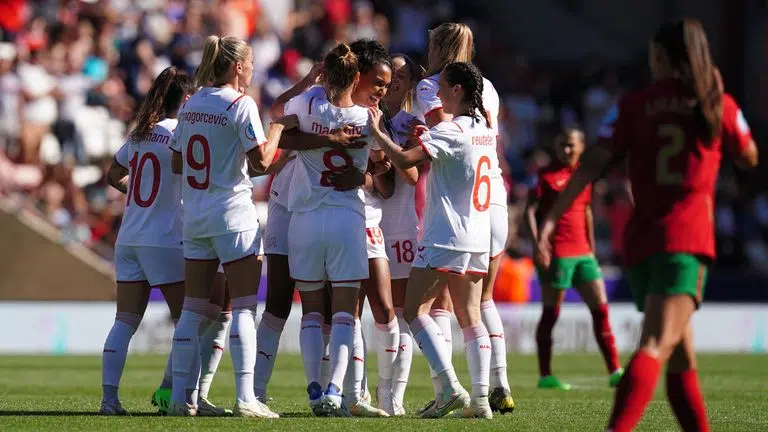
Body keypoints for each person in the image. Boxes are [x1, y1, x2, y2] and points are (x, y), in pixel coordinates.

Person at [535, 19, 758, 432]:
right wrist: (720, 96)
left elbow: (592, 165)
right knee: (656, 344)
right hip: (685, 239)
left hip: (642, 242)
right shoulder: (715, 104)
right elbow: (750, 156)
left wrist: (551, 217)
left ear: (661, 57)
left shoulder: (633, 104)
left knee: (681, 356)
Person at [168, 35, 294, 418]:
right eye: (251, 62)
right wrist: (278, 130)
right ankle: (245, 398)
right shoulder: (241, 104)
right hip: (233, 215)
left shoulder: (190, 106)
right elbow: (260, 164)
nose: (254, 68)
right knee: (242, 306)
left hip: (197, 215)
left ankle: (179, 398)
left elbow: (177, 164)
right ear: (238, 66)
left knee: (192, 309)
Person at [370, 61, 498, 419]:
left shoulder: (452, 130)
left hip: (445, 234)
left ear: (457, 90)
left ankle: (449, 388)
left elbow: (406, 159)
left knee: (412, 311)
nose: (436, 92)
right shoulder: (485, 129)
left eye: (442, 85)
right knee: (471, 317)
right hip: (477, 234)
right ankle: (482, 401)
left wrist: (379, 133)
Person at [414, 22, 515, 415]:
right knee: (481, 299)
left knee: (436, 301)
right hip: (494, 196)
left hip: (460, 202)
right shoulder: (487, 85)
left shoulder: (431, 86)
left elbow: (446, 137)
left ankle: (447, 387)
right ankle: (498, 384)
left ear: (440, 47)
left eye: (430, 47)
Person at [525, 127, 623, 390]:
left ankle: (615, 371)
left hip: (584, 255)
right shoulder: (545, 176)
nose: (565, 150)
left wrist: (591, 249)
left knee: (601, 310)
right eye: (561, 145)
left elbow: (587, 212)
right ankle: (546, 375)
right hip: (558, 253)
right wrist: (538, 246)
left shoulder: (584, 178)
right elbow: (530, 212)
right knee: (551, 314)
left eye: (570, 145)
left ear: (582, 147)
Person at [376, 53, 424, 415]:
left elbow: (410, 177)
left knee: (403, 315)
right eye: (393, 71)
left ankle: (395, 395)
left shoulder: (414, 124)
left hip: (402, 227)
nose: (396, 79)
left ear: (410, 84)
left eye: (404, 75)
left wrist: (386, 141)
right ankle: (367, 392)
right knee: (370, 314)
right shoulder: (361, 114)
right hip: (365, 222)